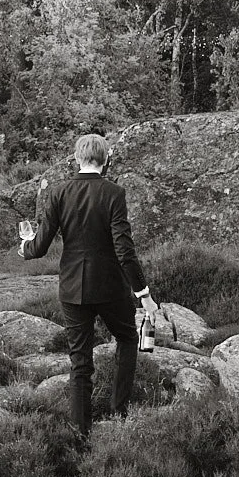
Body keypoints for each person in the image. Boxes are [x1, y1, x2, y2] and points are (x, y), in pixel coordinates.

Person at [18, 132, 162, 434]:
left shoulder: (58, 192)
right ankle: (119, 413)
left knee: (80, 363)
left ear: (76, 158)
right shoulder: (114, 193)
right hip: (110, 287)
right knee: (125, 339)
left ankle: (80, 436)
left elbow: (40, 245)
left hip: (72, 288)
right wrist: (143, 294)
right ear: (106, 159)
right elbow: (125, 250)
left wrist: (24, 249)